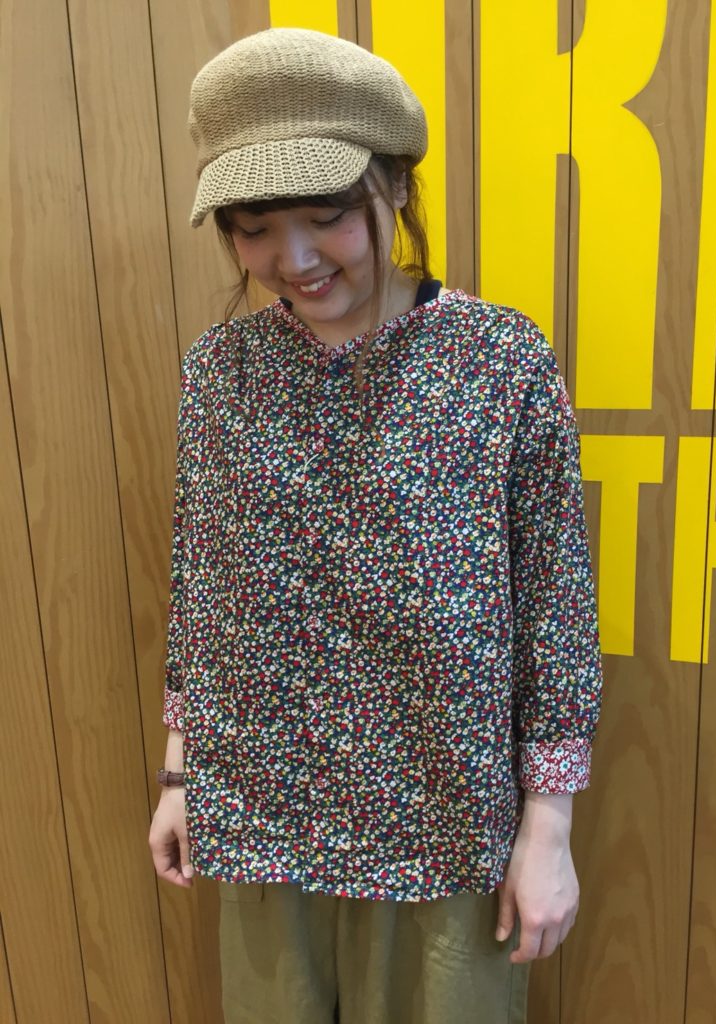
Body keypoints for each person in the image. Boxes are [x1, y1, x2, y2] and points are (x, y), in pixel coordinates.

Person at [148, 27, 602, 1024]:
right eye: (254, 228)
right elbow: (203, 588)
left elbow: (557, 610)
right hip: (264, 816)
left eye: (325, 218)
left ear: (395, 186)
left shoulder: (499, 362)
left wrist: (549, 826)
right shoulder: (220, 373)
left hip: (448, 827)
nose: (294, 259)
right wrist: (180, 772)